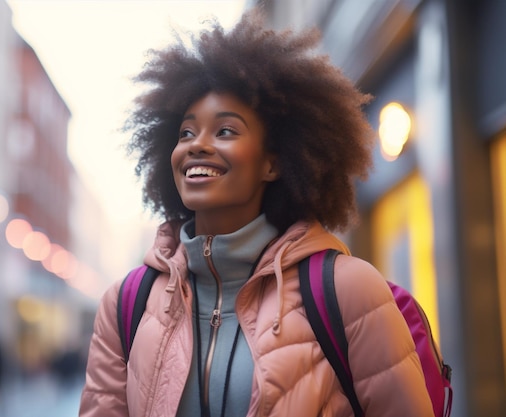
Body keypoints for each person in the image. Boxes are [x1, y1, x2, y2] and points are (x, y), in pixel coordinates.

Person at [79, 10, 434, 417]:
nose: (197, 145)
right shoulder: (126, 303)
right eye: (186, 132)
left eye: (225, 130)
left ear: (274, 163)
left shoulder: (349, 291)